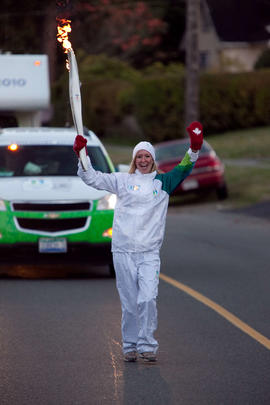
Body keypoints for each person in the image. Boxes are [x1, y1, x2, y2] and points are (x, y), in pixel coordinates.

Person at [73, 121, 203, 363]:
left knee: (147, 298)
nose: (143, 160)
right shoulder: (122, 180)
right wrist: (82, 155)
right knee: (130, 303)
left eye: (147, 156)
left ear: (152, 159)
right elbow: (92, 178)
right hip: (122, 250)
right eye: (139, 156)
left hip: (149, 252)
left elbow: (185, 167)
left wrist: (195, 147)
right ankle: (130, 345)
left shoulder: (164, 182)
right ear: (134, 160)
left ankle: (147, 345)